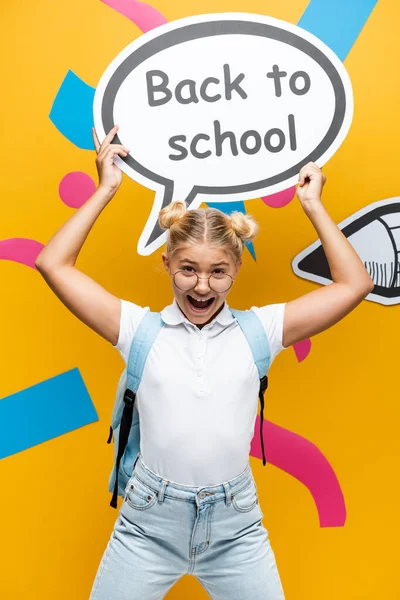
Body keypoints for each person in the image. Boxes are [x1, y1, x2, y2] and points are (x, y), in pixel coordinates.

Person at [35, 124, 374, 600]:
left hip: (236, 528)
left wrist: (313, 205)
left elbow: (353, 285)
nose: (202, 286)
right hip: (147, 527)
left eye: (219, 272)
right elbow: (53, 263)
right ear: (168, 263)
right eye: (188, 269)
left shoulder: (262, 330)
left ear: (236, 270)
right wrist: (106, 189)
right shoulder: (137, 329)